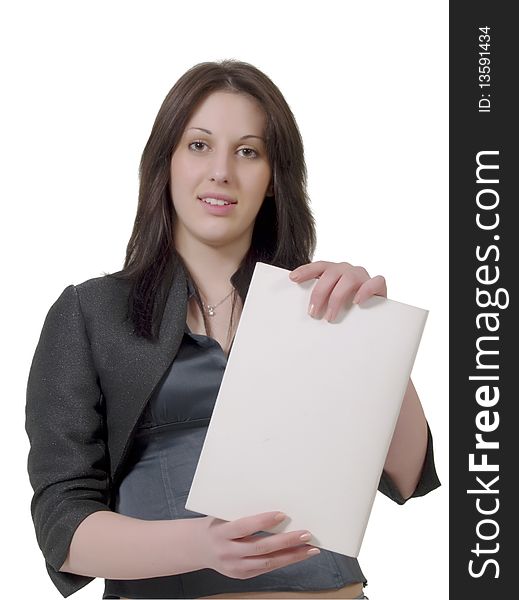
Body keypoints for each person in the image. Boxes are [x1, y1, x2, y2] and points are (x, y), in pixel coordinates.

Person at [25, 59, 440, 600]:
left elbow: (407, 475)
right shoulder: (90, 313)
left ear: (272, 179)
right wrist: (203, 544)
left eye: (248, 151)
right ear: (165, 163)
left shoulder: (314, 304)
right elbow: (62, 526)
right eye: (199, 145)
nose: (222, 171)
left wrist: (371, 330)